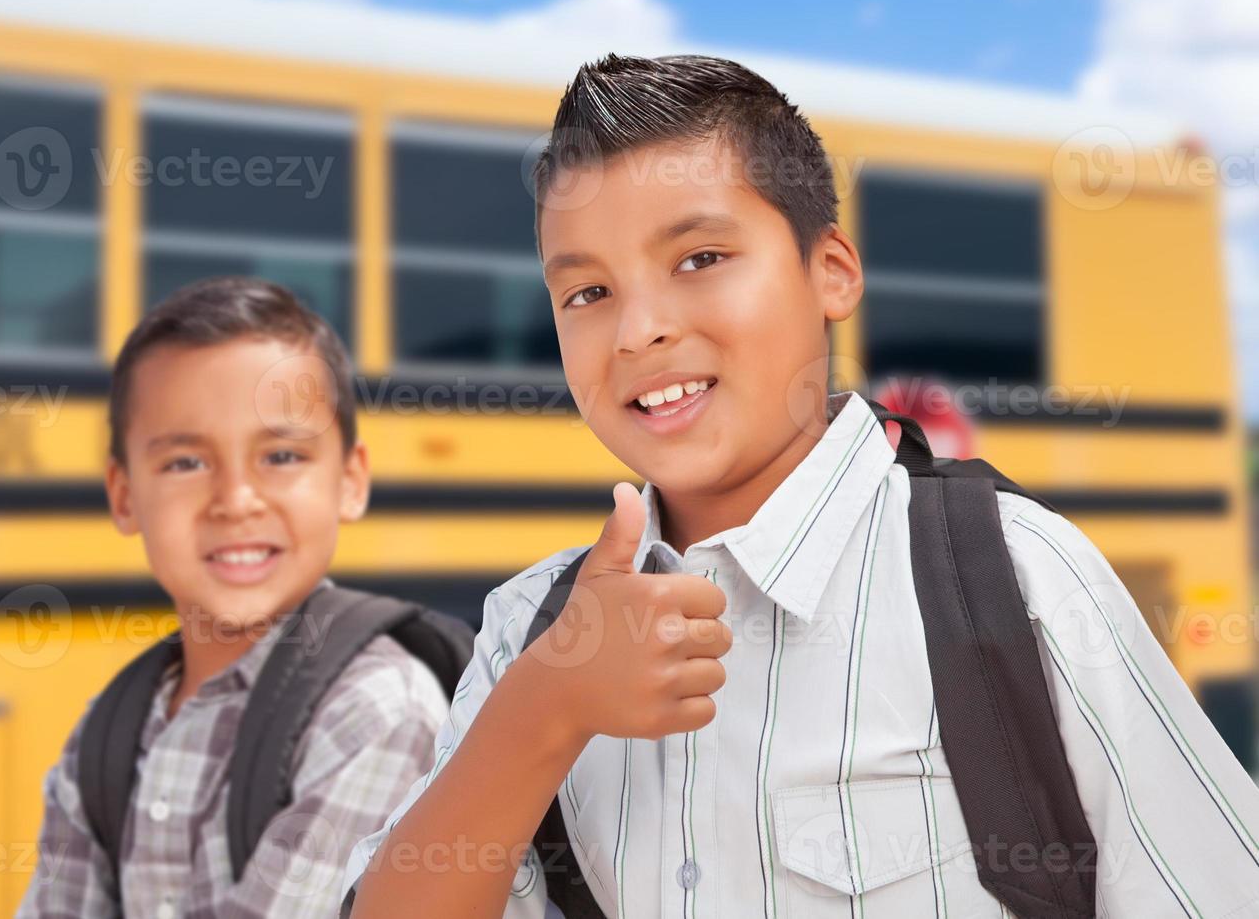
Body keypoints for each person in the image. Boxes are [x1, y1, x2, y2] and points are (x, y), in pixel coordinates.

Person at [345, 53, 1259, 917]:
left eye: (700, 259)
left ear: (832, 272)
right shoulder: (531, 630)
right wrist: (543, 710)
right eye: (586, 293)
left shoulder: (1013, 579)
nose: (638, 331)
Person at [17, 276, 450, 918]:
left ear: (350, 481)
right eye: (186, 463)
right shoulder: (109, 732)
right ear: (124, 494)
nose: (236, 500)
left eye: (280, 455)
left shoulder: (375, 710)